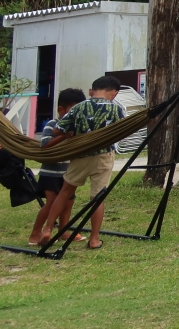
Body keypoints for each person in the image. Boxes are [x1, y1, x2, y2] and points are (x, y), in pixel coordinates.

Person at [37, 76, 126, 250]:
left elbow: (57, 131)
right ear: (114, 93)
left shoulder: (78, 107)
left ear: (92, 90)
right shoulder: (116, 109)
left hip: (79, 156)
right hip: (103, 156)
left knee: (65, 192)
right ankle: (94, 239)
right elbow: (123, 130)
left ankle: (47, 229)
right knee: (97, 198)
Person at [28, 87, 86, 246]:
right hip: (50, 173)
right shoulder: (52, 125)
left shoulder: (78, 128)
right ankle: (35, 233)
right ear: (61, 109)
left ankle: (64, 230)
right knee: (52, 202)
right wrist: (63, 136)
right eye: (72, 111)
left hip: (68, 173)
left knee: (68, 202)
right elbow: (45, 145)